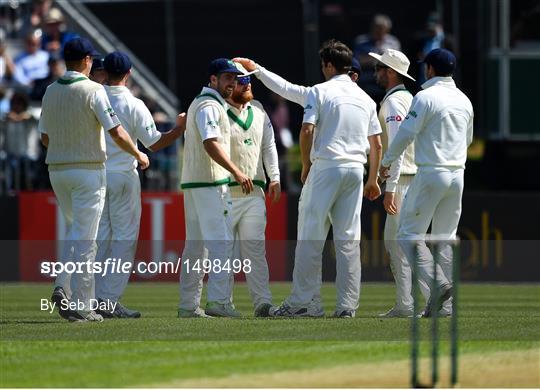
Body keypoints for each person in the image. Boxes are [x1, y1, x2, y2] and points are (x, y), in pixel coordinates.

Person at [269, 39, 382, 318]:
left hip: (327, 167)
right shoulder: (366, 98)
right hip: (356, 170)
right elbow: (377, 144)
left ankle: (305, 303)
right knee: (348, 240)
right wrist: (373, 179)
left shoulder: (320, 91)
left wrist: (305, 164)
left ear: (329, 65)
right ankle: (347, 307)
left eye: (323, 65)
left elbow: (307, 131)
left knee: (310, 236)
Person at [40, 37, 149, 322]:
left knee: (76, 231)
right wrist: (138, 154)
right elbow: (116, 131)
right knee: (88, 238)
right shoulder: (94, 90)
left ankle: (62, 284)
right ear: (87, 60)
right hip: (87, 170)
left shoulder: (50, 90)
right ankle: (83, 305)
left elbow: (44, 136)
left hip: (57, 171)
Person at [380, 48, 474, 317]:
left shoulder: (424, 97)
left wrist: (387, 161)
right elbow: (467, 140)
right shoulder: (465, 100)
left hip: (432, 172)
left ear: (430, 69)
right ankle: (446, 307)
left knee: (408, 235)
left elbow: (405, 134)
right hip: (458, 174)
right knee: (445, 238)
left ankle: (438, 284)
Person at [92, 51, 186, 319]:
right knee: (124, 239)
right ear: (129, 73)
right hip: (123, 176)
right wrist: (178, 129)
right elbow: (154, 143)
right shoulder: (134, 104)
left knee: (100, 238)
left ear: (104, 72)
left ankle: (92, 297)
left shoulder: (93, 98)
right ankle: (107, 299)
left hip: (96, 174)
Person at [178, 58, 253, 318]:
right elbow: (211, 143)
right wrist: (237, 171)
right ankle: (220, 302)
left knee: (196, 246)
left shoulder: (206, 103)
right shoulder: (209, 105)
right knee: (220, 242)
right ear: (213, 80)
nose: (232, 83)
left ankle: (189, 305)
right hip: (210, 183)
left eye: (234, 78)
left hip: (195, 183)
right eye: (226, 78)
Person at [368, 48, 430, 317]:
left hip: (404, 180)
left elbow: (399, 146)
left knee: (403, 242)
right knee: (401, 242)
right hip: (409, 177)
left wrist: (390, 188)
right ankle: (407, 303)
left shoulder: (395, 103)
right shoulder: (405, 98)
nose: (376, 72)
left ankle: (436, 296)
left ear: (391, 72)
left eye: (380, 68)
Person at [224, 71, 280, 317]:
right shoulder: (217, 109)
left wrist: (275, 177)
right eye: (241, 81)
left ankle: (262, 302)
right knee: (223, 252)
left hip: (254, 193)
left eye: (249, 80)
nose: (247, 85)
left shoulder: (258, 110)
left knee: (255, 250)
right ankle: (223, 303)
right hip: (224, 191)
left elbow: (269, 145)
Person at [353, 14, 401, 102]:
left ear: (387, 29)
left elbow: (397, 62)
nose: (379, 31)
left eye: (382, 28)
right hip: (367, 86)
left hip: (387, 86)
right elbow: (357, 61)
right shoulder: (361, 41)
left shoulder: (393, 42)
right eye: (377, 28)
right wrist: (377, 58)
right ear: (372, 28)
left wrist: (372, 58)